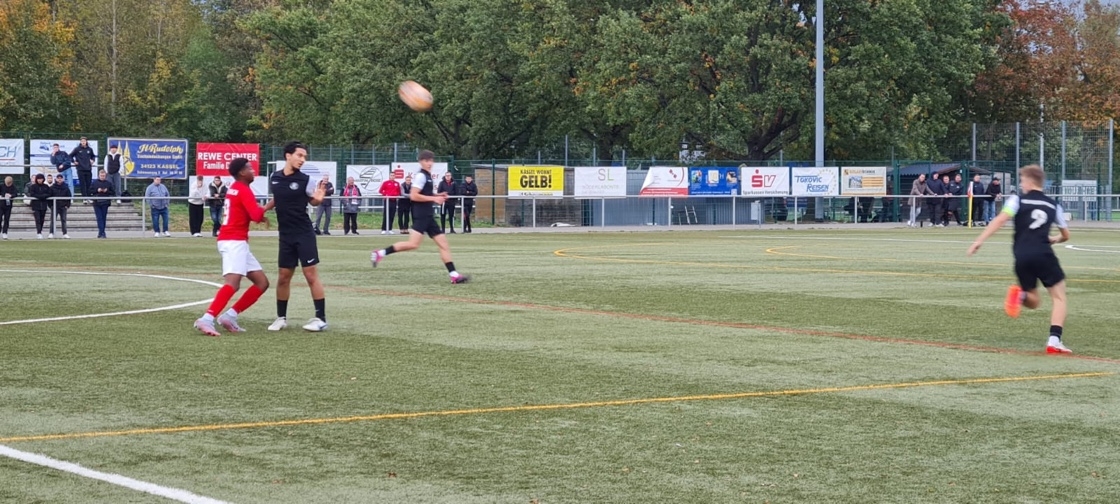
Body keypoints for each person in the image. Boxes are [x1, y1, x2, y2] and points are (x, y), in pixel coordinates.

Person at [967, 165, 1071, 354]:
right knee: (1059, 297)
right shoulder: (1053, 205)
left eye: (1022, 181)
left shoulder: (1017, 200)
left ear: (1031, 181)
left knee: (1033, 300)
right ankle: (1054, 341)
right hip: (1043, 254)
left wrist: (979, 241)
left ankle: (1021, 296)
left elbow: (1000, 219)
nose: (1021, 184)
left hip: (1021, 256)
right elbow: (1066, 235)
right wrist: (1055, 239)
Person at [194, 158, 272, 337]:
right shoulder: (243, 189)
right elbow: (255, 215)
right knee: (233, 283)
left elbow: (248, 212)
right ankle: (207, 318)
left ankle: (229, 316)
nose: (253, 171)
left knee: (262, 283)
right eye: (249, 168)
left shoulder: (236, 188)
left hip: (236, 241)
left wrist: (260, 213)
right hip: (233, 241)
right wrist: (272, 203)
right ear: (242, 173)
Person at [371, 150, 470, 284]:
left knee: (443, 244)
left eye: (431, 160)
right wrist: (434, 199)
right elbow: (414, 195)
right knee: (413, 244)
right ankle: (380, 253)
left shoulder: (427, 176)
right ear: (421, 162)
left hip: (428, 215)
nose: (429, 163)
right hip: (421, 215)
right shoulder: (421, 176)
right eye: (426, 161)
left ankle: (454, 275)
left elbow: (425, 193)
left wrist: (437, 195)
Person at [264, 141, 329, 332]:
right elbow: (277, 198)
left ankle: (321, 319)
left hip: (304, 233)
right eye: (299, 155)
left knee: (310, 275)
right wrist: (263, 209)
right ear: (288, 156)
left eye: (304, 157)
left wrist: (318, 199)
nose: (302, 159)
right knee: (283, 277)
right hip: (285, 235)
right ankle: (281, 318)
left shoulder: (306, 180)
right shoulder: (275, 177)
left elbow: (313, 201)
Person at [70, 136, 96, 203]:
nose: (83, 142)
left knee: (89, 184)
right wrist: (74, 161)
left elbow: (93, 156)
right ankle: (84, 198)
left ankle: (89, 197)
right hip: (80, 169)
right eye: (82, 141)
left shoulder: (90, 149)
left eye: (84, 141)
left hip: (88, 169)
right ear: (80, 142)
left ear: (86, 142)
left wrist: (93, 160)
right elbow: (70, 156)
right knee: (82, 184)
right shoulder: (77, 149)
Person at [90, 170, 115, 238]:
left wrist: (107, 191)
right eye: (101, 176)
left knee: (103, 218)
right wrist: (97, 190)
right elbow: (90, 191)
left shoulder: (108, 183)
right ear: (99, 175)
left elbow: (113, 192)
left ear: (105, 176)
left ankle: (101, 232)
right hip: (96, 202)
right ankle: (102, 232)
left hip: (105, 202)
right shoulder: (94, 183)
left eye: (103, 176)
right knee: (99, 218)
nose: (102, 177)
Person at [27, 174, 52, 239]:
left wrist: (43, 196)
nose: (39, 180)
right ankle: (39, 232)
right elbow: (32, 194)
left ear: (43, 179)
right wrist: (40, 196)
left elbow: (49, 193)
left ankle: (40, 231)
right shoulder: (33, 186)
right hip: (35, 205)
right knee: (37, 219)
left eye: (41, 179)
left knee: (42, 219)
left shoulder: (46, 186)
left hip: (43, 205)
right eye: (38, 179)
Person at [49, 174, 71, 239]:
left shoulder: (66, 187)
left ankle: (65, 233)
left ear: (62, 179)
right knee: (53, 220)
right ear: (56, 179)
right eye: (58, 178)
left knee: (63, 220)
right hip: (55, 206)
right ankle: (51, 233)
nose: (59, 179)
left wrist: (67, 205)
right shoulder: (52, 187)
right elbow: (49, 197)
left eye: (60, 178)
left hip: (63, 206)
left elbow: (69, 197)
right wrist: (51, 205)